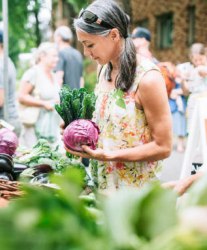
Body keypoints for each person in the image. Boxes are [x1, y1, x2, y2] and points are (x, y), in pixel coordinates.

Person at [63, 0, 172, 190]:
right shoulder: (102, 69)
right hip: (102, 186)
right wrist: (77, 129)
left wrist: (109, 156)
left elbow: (163, 147)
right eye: (82, 44)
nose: (86, 52)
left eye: (89, 44)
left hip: (134, 193)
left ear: (114, 35)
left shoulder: (148, 79)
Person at [18, 42, 61, 148]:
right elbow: (21, 96)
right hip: (33, 128)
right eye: (54, 56)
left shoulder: (53, 74)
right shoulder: (33, 73)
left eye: (57, 56)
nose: (57, 59)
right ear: (42, 56)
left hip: (50, 128)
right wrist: (43, 104)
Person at [179, 43, 207, 133]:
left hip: (204, 104)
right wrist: (182, 80)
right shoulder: (193, 71)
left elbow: (203, 70)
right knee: (193, 131)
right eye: (195, 60)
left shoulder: (201, 69)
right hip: (193, 104)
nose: (198, 62)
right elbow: (187, 91)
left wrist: (201, 69)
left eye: (200, 59)